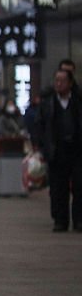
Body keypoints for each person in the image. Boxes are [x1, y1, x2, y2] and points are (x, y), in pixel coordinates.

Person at [36, 69, 82, 232]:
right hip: (56, 151)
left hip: (77, 151)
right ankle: (60, 220)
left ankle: (79, 220)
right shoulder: (48, 103)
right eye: (56, 80)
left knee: (79, 187)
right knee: (57, 188)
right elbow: (40, 126)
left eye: (62, 80)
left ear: (70, 83)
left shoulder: (77, 101)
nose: (58, 83)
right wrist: (42, 147)